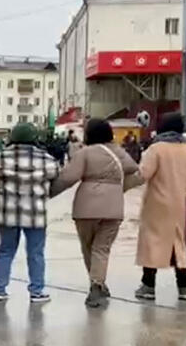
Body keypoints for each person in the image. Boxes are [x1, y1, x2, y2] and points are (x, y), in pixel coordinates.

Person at [51, 118, 140, 308]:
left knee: (88, 247)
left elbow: (68, 178)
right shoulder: (119, 152)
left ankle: (96, 284)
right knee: (102, 248)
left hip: (86, 208)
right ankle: (97, 283)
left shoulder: (85, 153)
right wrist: (118, 186)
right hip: (113, 208)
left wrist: (48, 193)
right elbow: (134, 169)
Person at [134, 114, 186, 301]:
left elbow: (144, 173)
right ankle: (183, 288)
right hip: (179, 203)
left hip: (156, 203)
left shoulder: (155, 149)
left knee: (152, 242)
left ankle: (148, 286)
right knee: (178, 243)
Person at [0, 123, 60, 303]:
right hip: (35, 214)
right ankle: (36, 291)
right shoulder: (47, 159)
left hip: (7, 214)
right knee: (36, 253)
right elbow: (56, 177)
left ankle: (0, 290)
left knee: (5, 251)